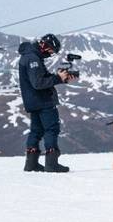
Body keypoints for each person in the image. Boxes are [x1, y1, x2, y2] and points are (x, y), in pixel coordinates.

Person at [17, 33, 74, 173]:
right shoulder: (33, 58)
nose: (50, 55)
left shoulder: (30, 55)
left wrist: (60, 78)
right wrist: (57, 78)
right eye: (51, 51)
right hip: (42, 101)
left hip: (33, 101)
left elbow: (39, 78)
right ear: (44, 46)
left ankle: (31, 163)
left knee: (36, 131)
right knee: (51, 129)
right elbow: (38, 83)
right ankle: (51, 163)